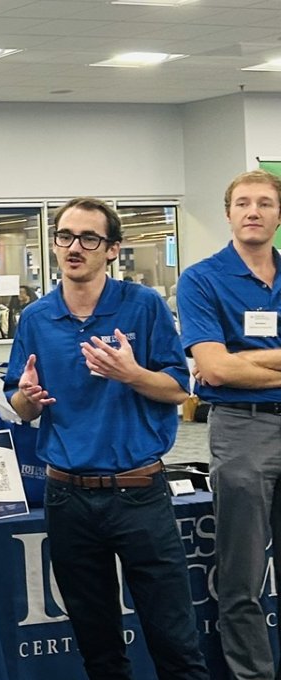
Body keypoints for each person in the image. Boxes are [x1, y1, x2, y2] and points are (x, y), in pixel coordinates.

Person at [6, 197, 207, 680]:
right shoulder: (36, 318)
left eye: (89, 238)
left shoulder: (143, 307)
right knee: (98, 650)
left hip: (139, 495)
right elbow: (19, 402)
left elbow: (180, 388)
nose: (75, 247)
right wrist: (28, 398)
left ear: (112, 249)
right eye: (65, 236)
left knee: (175, 642)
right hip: (68, 498)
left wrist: (132, 373)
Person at [177, 169, 281, 680]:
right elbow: (214, 369)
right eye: (243, 203)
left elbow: (232, 363)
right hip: (242, 429)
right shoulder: (201, 279)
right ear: (228, 214)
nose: (253, 211)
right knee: (242, 578)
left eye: (264, 202)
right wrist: (239, 364)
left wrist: (250, 361)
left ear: (279, 215)